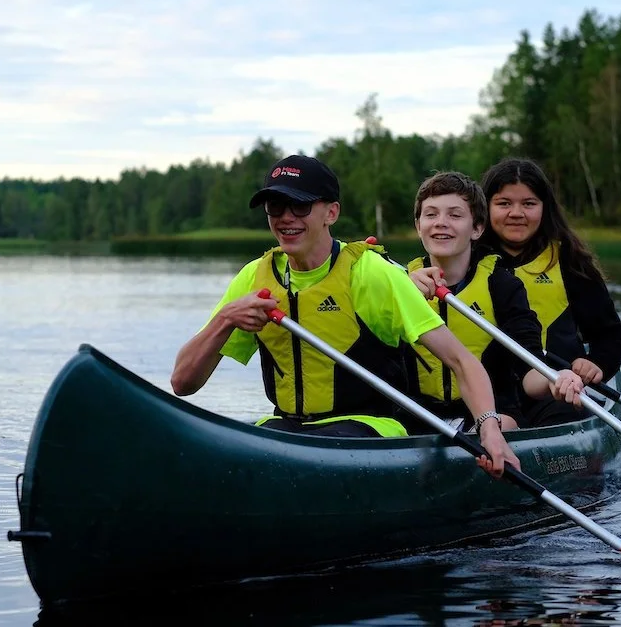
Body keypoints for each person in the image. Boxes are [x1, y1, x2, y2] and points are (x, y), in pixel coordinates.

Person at [171, 154, 519, 476]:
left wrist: (490, 429)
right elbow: (183, 384)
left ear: (331, 213)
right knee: (245, 450)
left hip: (369, 427)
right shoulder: (253, 277)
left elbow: (461, 360)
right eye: (276, 206)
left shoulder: (370, 273)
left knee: (311, 452)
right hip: (287, 428)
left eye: (301, 205)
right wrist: (225, 319)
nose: (286, 217)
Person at [404, 171, 583, 432]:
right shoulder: (398, 283)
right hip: (416, 415)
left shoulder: (502, 286)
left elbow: (529, 370)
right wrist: (402, 289)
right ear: (419, 226)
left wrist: (555, 379)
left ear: (477, 228)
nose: (441, 223)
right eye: (431, 215)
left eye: (455, 215)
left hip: (492, 414)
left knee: (504, 426)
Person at [478, 158, 621, 425]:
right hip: (485, 398)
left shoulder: (568, 260)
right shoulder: (468, 260)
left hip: (556, 396)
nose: (516, 213)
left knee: (563, 411)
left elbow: (610, 334)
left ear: (544, 208)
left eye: (529, 204)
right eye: (504, 204)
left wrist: (597, 363)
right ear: (484, 209)